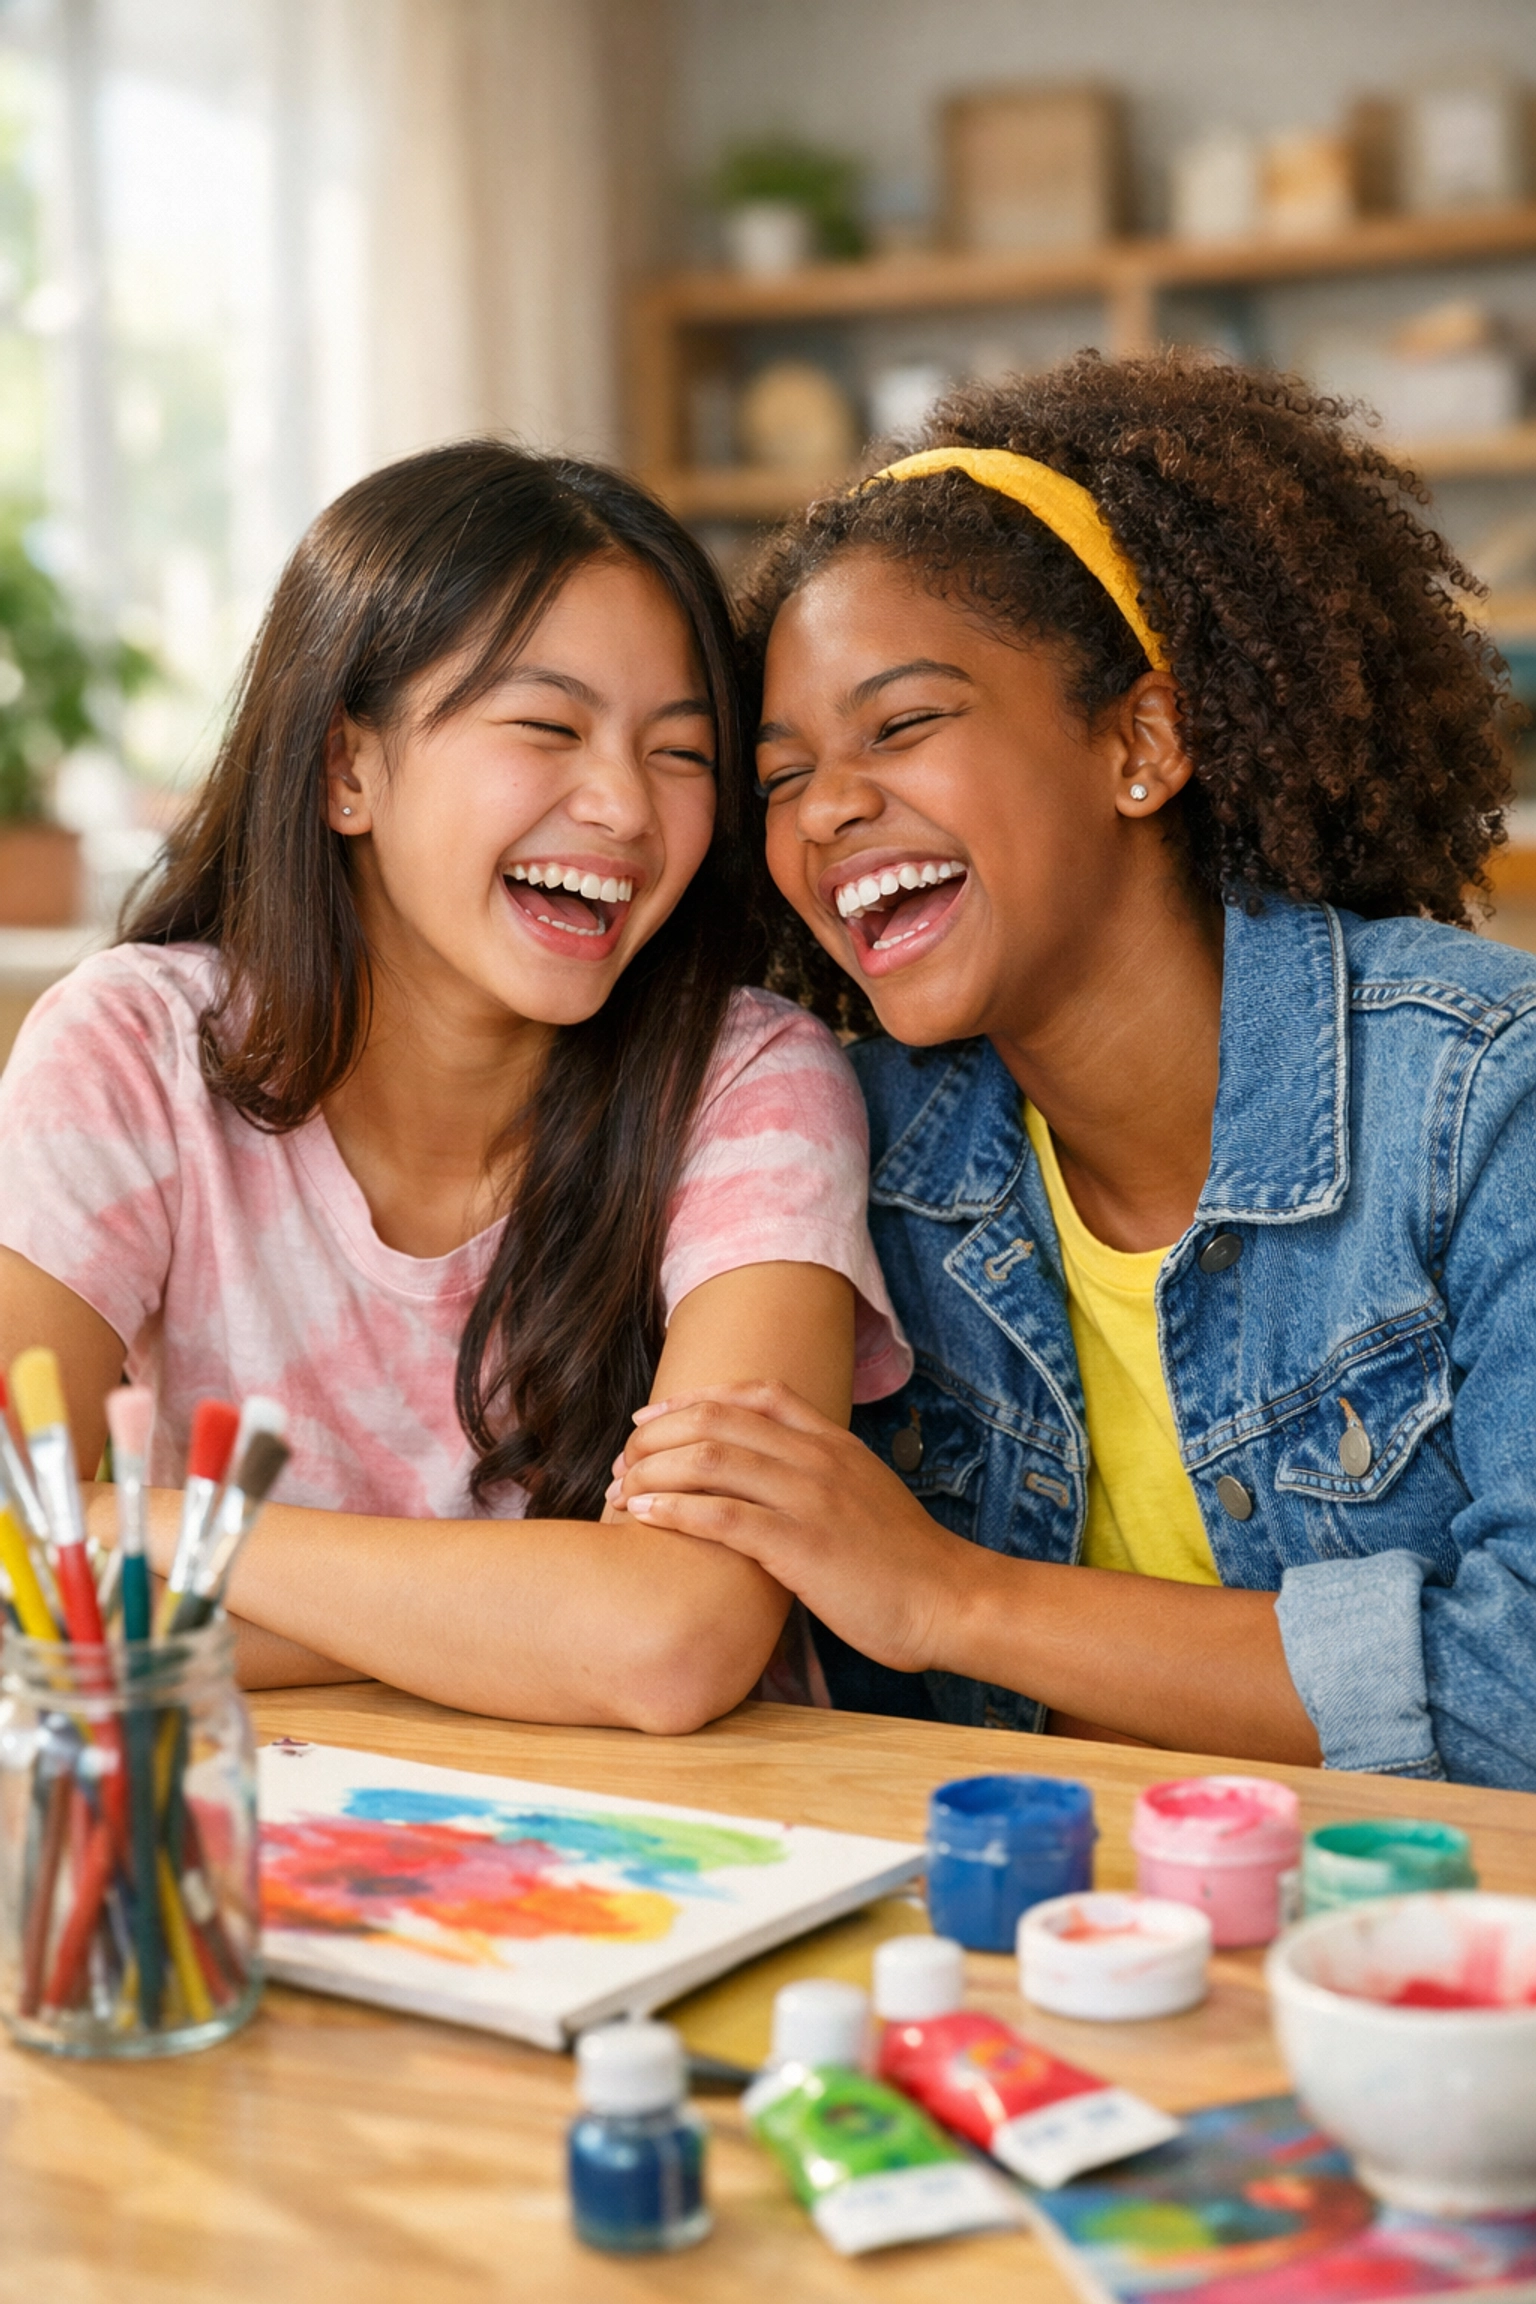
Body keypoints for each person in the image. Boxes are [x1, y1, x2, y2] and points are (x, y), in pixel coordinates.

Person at [611, 353, 1536, 1790]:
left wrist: (953, 1599)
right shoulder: (859, 1151)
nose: (829, 807)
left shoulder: (1483, 1098)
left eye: (903, 725)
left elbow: (1518, 1683)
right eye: (781, 778)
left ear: (1142, 743)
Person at [0, 440, 908, 1727]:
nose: (623, 806)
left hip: (668, 1823)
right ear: (346, 770)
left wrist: (144, 1532)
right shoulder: (133, 1050)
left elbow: (674, 1635)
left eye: (681, 753)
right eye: (548, 727)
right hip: (251, 1813)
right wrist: (532, 1628)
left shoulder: (750, 1081)